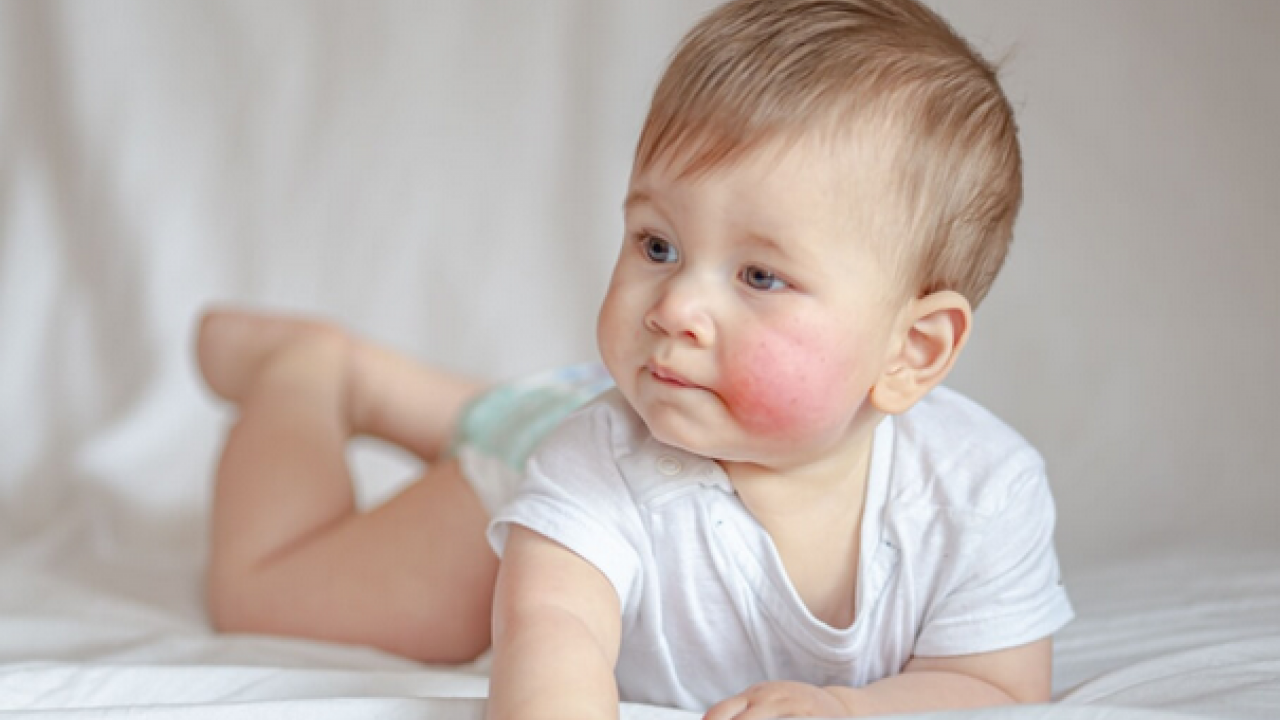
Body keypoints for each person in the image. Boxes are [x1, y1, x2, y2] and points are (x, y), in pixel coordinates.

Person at [197, 0, 1073, 717]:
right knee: (265, 595)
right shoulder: (593, 466)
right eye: (657, 244)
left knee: (549, 413)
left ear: (911, 351)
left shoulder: (980, 493)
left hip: (601, 407)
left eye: (760, 275)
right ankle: (307, 371)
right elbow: (553, 632)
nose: (676, 306)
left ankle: (402, 391)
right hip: (551, 454)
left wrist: (845, 711)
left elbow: (997, 687)